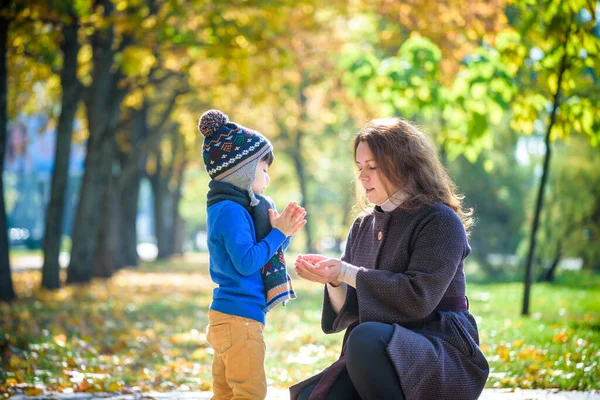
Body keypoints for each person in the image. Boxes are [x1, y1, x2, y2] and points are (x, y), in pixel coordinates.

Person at [290, 117, 489, 400]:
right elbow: (353, 309)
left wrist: (347, 272)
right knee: (310, 397)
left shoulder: (440, 220)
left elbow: (418, 298)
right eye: (359, 167)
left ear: (404, 165)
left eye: (372, 167)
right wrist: (335, 280)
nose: (362, 176)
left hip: (440, 349)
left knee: (364, 338)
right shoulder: (362, 225)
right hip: (379, 354)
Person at [199, 110, 307, 400]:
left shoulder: (227, 208)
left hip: (231, 316)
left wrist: (282, 234)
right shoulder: (231, 211)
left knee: (224, 394)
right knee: (250, 393)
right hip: (239, 319)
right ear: (243, 171)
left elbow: (255, 257)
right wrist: (278, 235)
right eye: (264, 170)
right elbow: (247, 262)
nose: (268, 178)